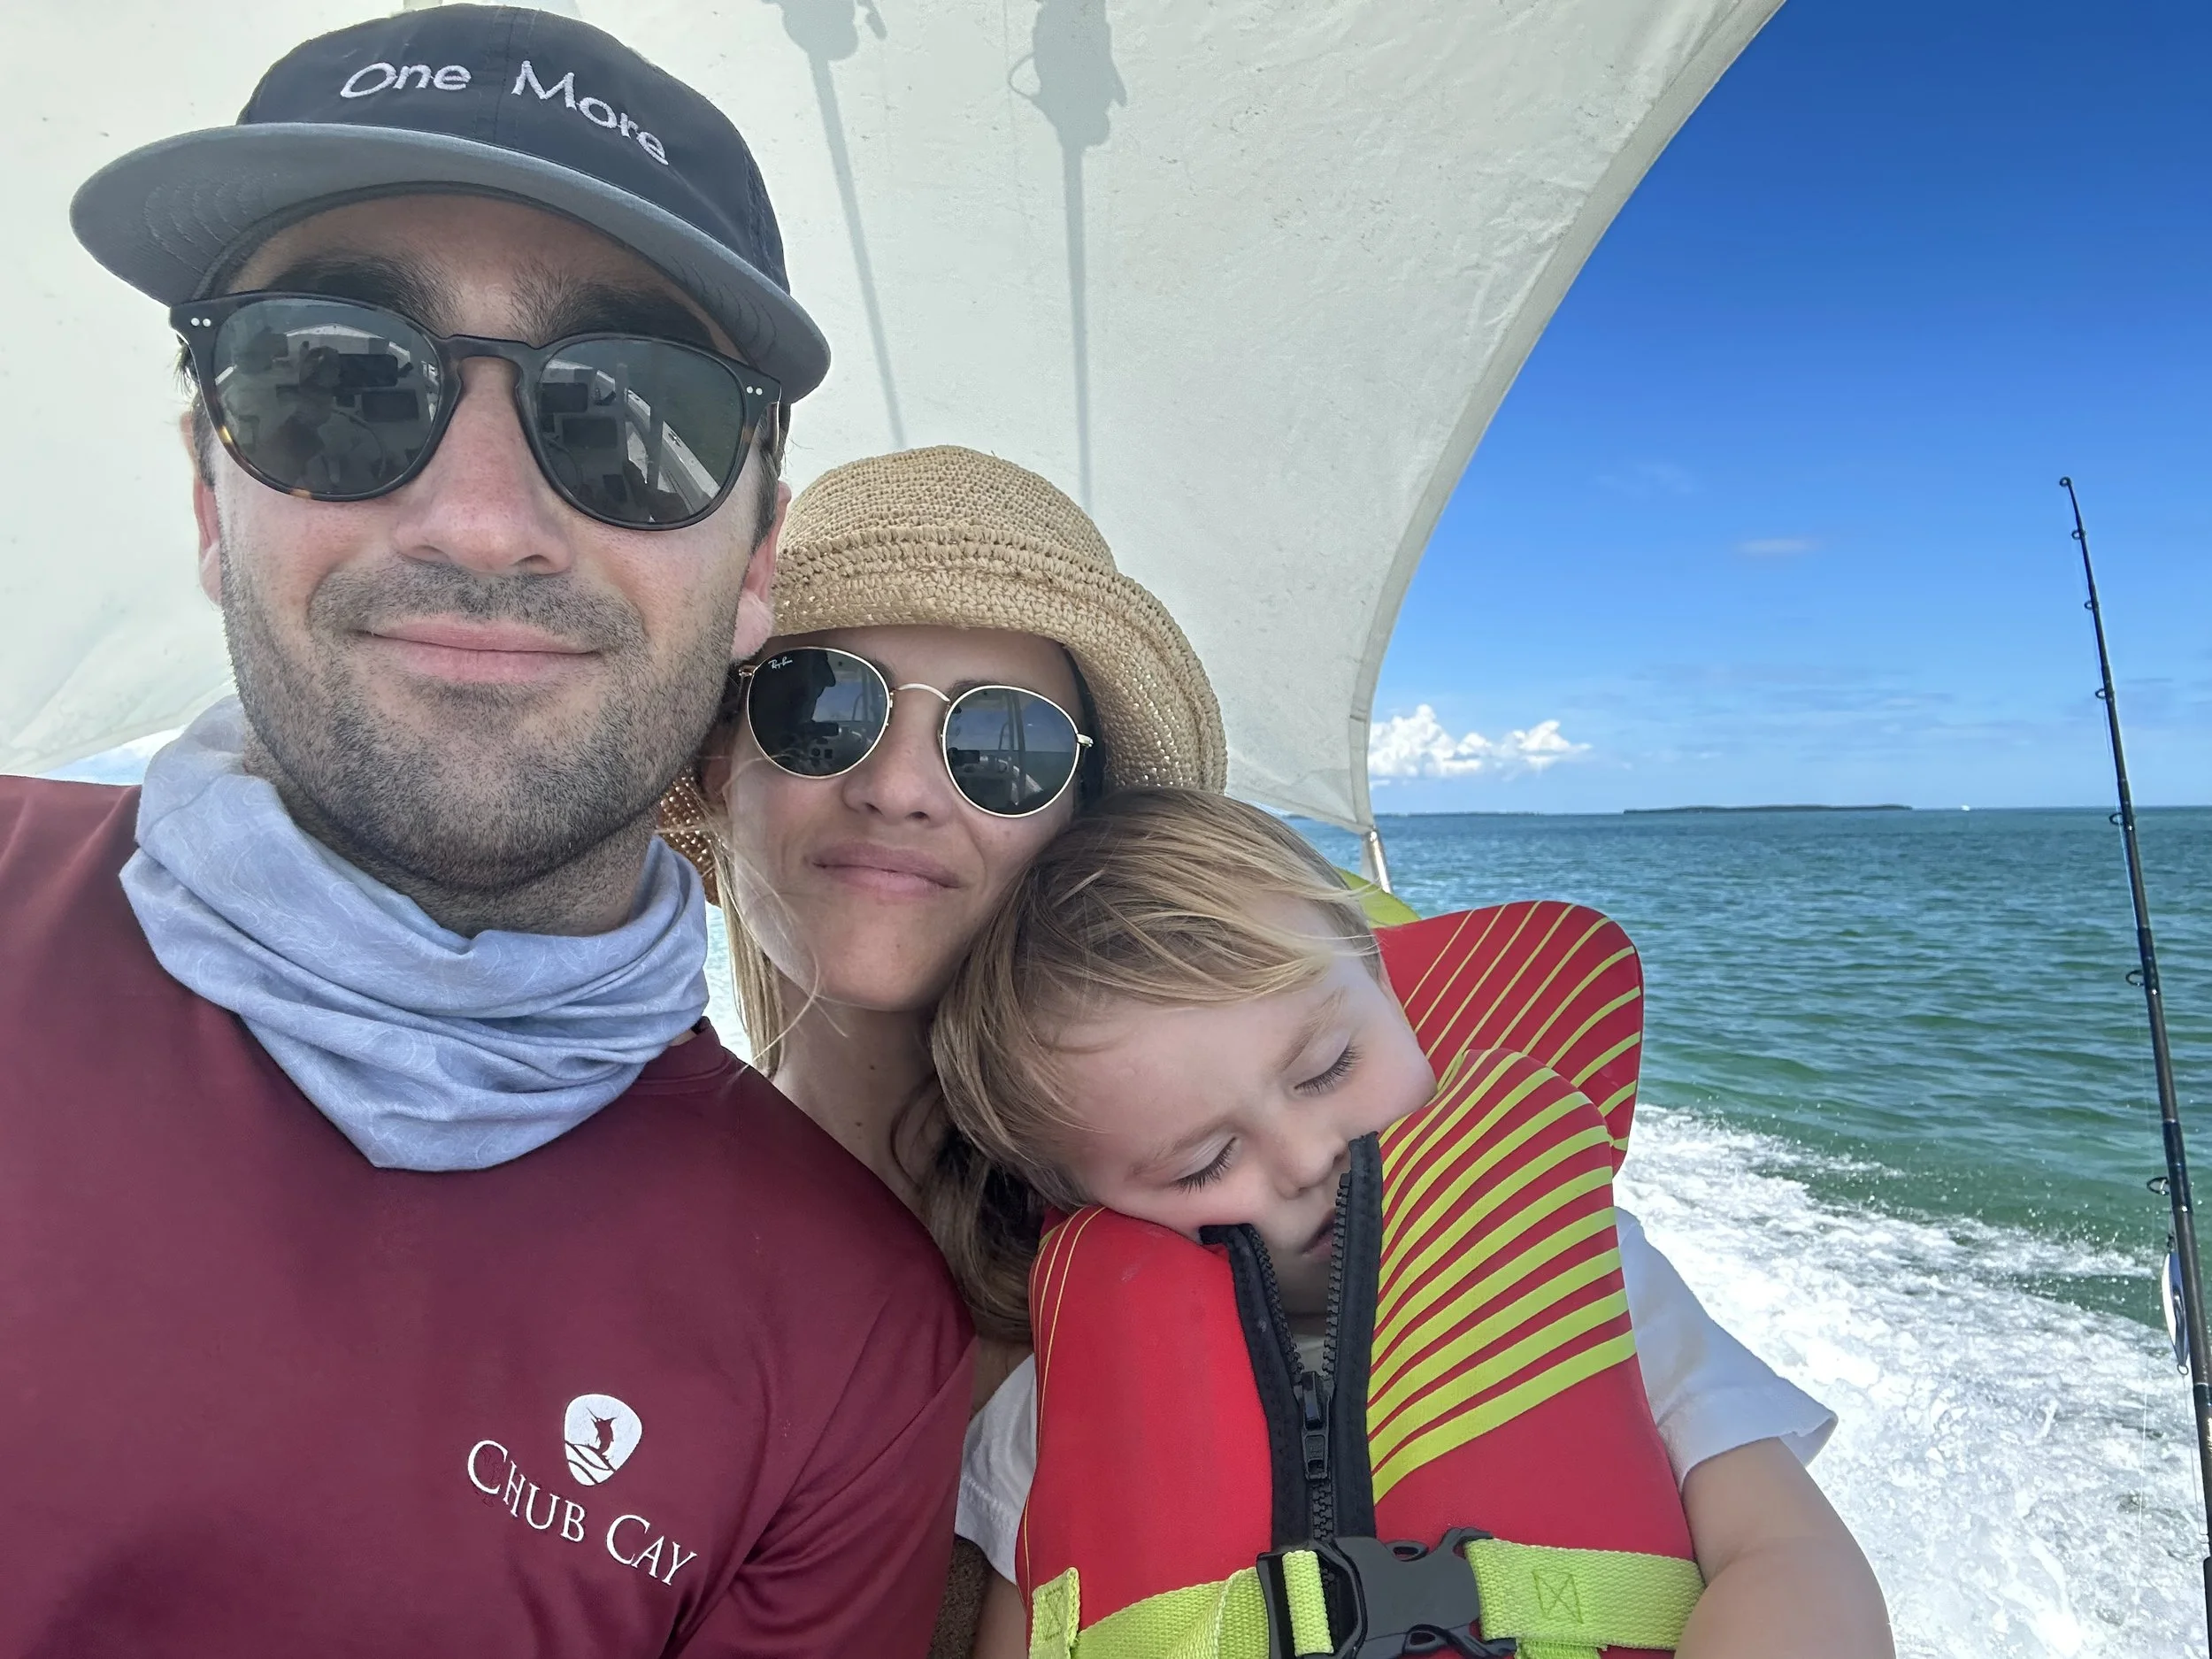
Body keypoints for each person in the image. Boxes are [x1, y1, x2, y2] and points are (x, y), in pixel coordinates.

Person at [2, 9, 968, 1654]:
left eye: (633, 418)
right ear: (208, 499)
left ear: (755, 567)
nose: (478, 520)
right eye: (332, 383)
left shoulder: (853, 1341)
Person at [677, 447, 1847, 1655]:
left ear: (1083, 820)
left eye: (1007, 745)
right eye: (817, 708)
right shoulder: (622, 1219)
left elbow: (1785, 1560)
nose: (901, 786)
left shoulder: (1542, 1257)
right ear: (715, 760)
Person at [931, 787, 1893, 1659]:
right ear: (1084, 1204)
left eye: (1328, 1069)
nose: (1306, 1159)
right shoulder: (1054, 1409)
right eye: (1203, 1163)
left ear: (1383, 989)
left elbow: (1791, 1556)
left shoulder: (1593, 1279)